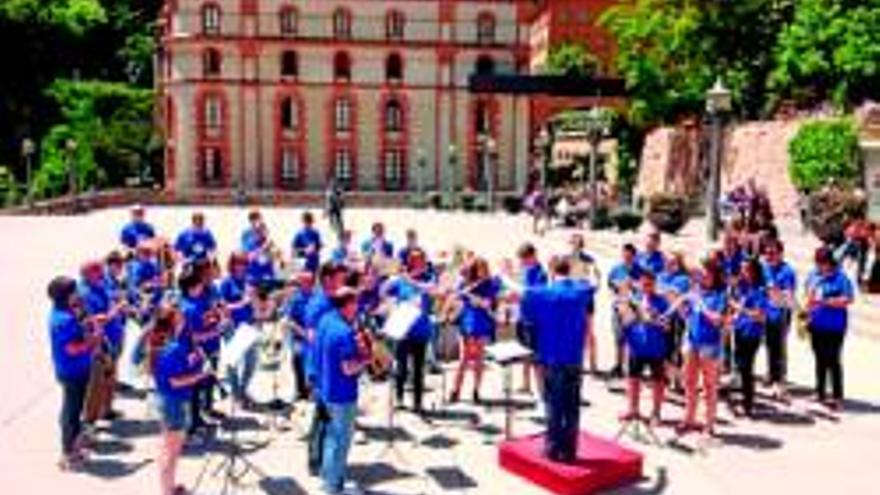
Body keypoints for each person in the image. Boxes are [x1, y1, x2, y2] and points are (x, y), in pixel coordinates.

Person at [521, 257, 595, 463]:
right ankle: (569, 450)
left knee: (553, 403)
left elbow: (527, 312)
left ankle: (553, 448)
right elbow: (592, 286)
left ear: (552, 272)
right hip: (574, 355)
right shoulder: (580, 291)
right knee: (572, 404)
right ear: (569, 270)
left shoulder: (542, 292)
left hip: (551, 355)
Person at [149, 304, 210, 495]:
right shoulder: (173, 347)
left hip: (166, 399)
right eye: (180, 317)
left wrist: (192, 360)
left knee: (168, 448)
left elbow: (172, 370)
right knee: (172, 452)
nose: (184, 319)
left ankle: (169, 487)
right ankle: (168, 491)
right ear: (173, 322)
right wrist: (201, 375)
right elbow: (176, 381)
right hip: (173, 402)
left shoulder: (163, 343)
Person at [315, 286, 367, 495]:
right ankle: (335, 488)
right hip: (342, 394)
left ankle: (328, 480)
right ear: (347, 304)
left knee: (330, 437)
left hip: (326, 388)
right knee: (341, 442)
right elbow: (348, 368)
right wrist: (366, 359)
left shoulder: (326, 320)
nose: (358, 307)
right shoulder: (344, 332)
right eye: (355, 303)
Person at [48, 276, 99, 470]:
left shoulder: (65, 311)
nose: (78, 294)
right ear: (66, 295)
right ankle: (68, 453)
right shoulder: (64, 320)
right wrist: (92, 341)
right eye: (74, 291)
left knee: (74, 409)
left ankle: (74, 445)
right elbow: (72, 348)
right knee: (71, 411)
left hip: (77, 368)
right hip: (72, 370)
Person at [305, 262, 348, 476]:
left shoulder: (333, 301)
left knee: (326, 416)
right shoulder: (318, 304)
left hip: (330, 368)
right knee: (321, 417)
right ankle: (315, 461)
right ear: (329, 279)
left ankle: (323, 459)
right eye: (341, 278)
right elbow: (312, 339)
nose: (344, 282)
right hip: (320, 369)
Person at [382, 248, 435, 414]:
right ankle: (399, 398)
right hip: (403, 329)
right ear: (410, 261)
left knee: (419, 368)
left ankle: (417, 403)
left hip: (420, 329)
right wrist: (391, 278)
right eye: (416, 259)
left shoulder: (429, 277)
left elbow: (429, 289)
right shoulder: (401, 280)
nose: (419, 262)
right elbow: (383, 291)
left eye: (422, 259)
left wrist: (409, 279)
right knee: (401, 367)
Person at [679, 259, 728, 435]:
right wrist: (683, 308)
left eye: (706, 274)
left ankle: (709, 424)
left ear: (714, 276)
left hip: (710, 344)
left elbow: (718, 320)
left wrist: (703, 306)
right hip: (692, 341)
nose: (702, 276)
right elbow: (687, 315)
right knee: (689, 382)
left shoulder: (721, 295)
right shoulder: (696, 291)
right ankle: (689, 418)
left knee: (709, 386)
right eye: (701, 274)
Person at [805, 247, 855, 411]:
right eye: (817, 263)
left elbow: (848, 299)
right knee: (819, 358)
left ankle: (837, 396)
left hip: (835, 326)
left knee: (833, 360)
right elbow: (808, 294)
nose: (819, 267)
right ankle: (820, 392)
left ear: (829, 263)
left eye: (821, 263)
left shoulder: (840, 278)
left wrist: (825, 301)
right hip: (816, 323)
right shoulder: (814, 275)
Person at [77, 261, 127, 422]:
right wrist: (117, 309)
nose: (102, 273)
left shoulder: (99, 285)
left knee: (110, 377)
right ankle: (93, 417)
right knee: (98, 383)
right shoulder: (85, 293)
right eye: (98, 271)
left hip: (113, 337)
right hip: (102, 342)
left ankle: (107, 409)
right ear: (88, 274)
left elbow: (110, 297)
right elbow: (95, 320)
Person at [618, 271, 669, 424]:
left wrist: (653, 318)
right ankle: (633, 410)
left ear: (654, 285)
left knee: (658, 381)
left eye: (649, 284)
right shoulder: (634, 299)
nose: (646, 287)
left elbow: (667, 327)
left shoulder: (662, 302)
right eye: (643, 284)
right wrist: (625, 313)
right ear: (639, 284)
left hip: (656, 347)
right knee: (633, 379)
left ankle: (656, 413)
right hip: (636, 346)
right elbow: (626, 322)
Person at [178, 266, 224, 435]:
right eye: (198, 285)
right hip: (193, 353)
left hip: (203, 351)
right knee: (192, 390)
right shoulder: (189, 308)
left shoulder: (198, 302)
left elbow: (207, 320)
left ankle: (198, 420)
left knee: (198, 389)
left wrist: (216, 317)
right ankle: (191, 427)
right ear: (191, 287)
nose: (202, 287)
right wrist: (217, 331)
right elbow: (195, 337)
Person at [450, 258, 501, 404]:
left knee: (479, 358)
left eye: (485, 269)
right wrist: (468, 295)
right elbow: (457, 296)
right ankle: (455, 390)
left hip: (483, 323)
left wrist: (486, 303)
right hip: (468, 322)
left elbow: (493, 303)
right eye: (480, 269)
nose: (483, 272)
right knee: (464, 358)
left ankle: (476, 390)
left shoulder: (490, 284)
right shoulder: (466, 283)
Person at [218, 252, 258, 406]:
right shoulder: (226, 282)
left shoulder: (249, 281)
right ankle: (236, 393)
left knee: (252, 361)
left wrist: (254, 300)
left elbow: (255, 305)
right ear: (232, 264)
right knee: (232, 362)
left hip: (248, 326)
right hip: (232, 326)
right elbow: (222, 306)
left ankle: (242, 389)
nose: (242, 267)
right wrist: (241, 303)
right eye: (239, 263)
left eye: (244, 263)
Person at [731, 259, 769, 418]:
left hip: (752, 333)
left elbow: (760, 316)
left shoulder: (761, 289)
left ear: (754, 271)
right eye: (742, 269)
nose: (743, 272)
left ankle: (748, 404)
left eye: (746, 269)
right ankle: (743, 400)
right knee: (739, 365)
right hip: (739, 329)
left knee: (747, 368)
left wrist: (741, 309)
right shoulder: (741, 286)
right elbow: (732, 301)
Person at [762, 239, 797, 399]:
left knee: (780, 348)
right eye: (767, 253)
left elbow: (788, 295)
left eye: (772, 253)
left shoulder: (787, 271)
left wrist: (776, 292)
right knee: (769, 345)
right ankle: (771, 374)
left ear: (780, 254)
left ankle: (780, 381)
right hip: (766, 313)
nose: (769, 256)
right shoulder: (764, 268)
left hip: (781, 314)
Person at [513, 243, 548, 394]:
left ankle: (541, 391)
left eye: (524, 260)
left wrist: (521, 294)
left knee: (536, 358)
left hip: (534, 320)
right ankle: (526, 384)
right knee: (524, 353)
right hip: (523, 316)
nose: (522, 263)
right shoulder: (525, 271)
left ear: (532, 256)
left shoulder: (541, 273)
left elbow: (536, 295)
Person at [281, 271, 316, 402]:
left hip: (314, 336)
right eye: (303, 281)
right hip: (299, 336)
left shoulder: (317, 297)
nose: (306, 284)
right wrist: (302, 332)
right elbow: (289, 320)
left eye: (309, 282)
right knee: (297, 359)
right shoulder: (295, 299)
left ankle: (312, 390)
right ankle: (301, 391)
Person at [567, 234, 600, 374]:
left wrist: (590, 288)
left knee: (589, 332)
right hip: (570, 299)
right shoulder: (566, 260)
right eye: (573, 242)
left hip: (585, 299)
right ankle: (575, 362)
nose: (575, 245)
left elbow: (596, 279)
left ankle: (592, 364)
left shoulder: (590, 260)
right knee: (572, 331)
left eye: (578, 242)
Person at [607, 244, 642, 377]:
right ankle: (618, 365)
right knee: (618, 338)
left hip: (633, 308)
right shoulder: (615, 269)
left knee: (632, 338)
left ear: (634, 256)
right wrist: (616, 290)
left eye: (629, 255)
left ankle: (631, 366)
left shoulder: (641, 271)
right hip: (619, 307)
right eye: (624, 255)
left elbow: (643, 290)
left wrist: (633, 285)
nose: (626, 257)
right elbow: (610, 287)